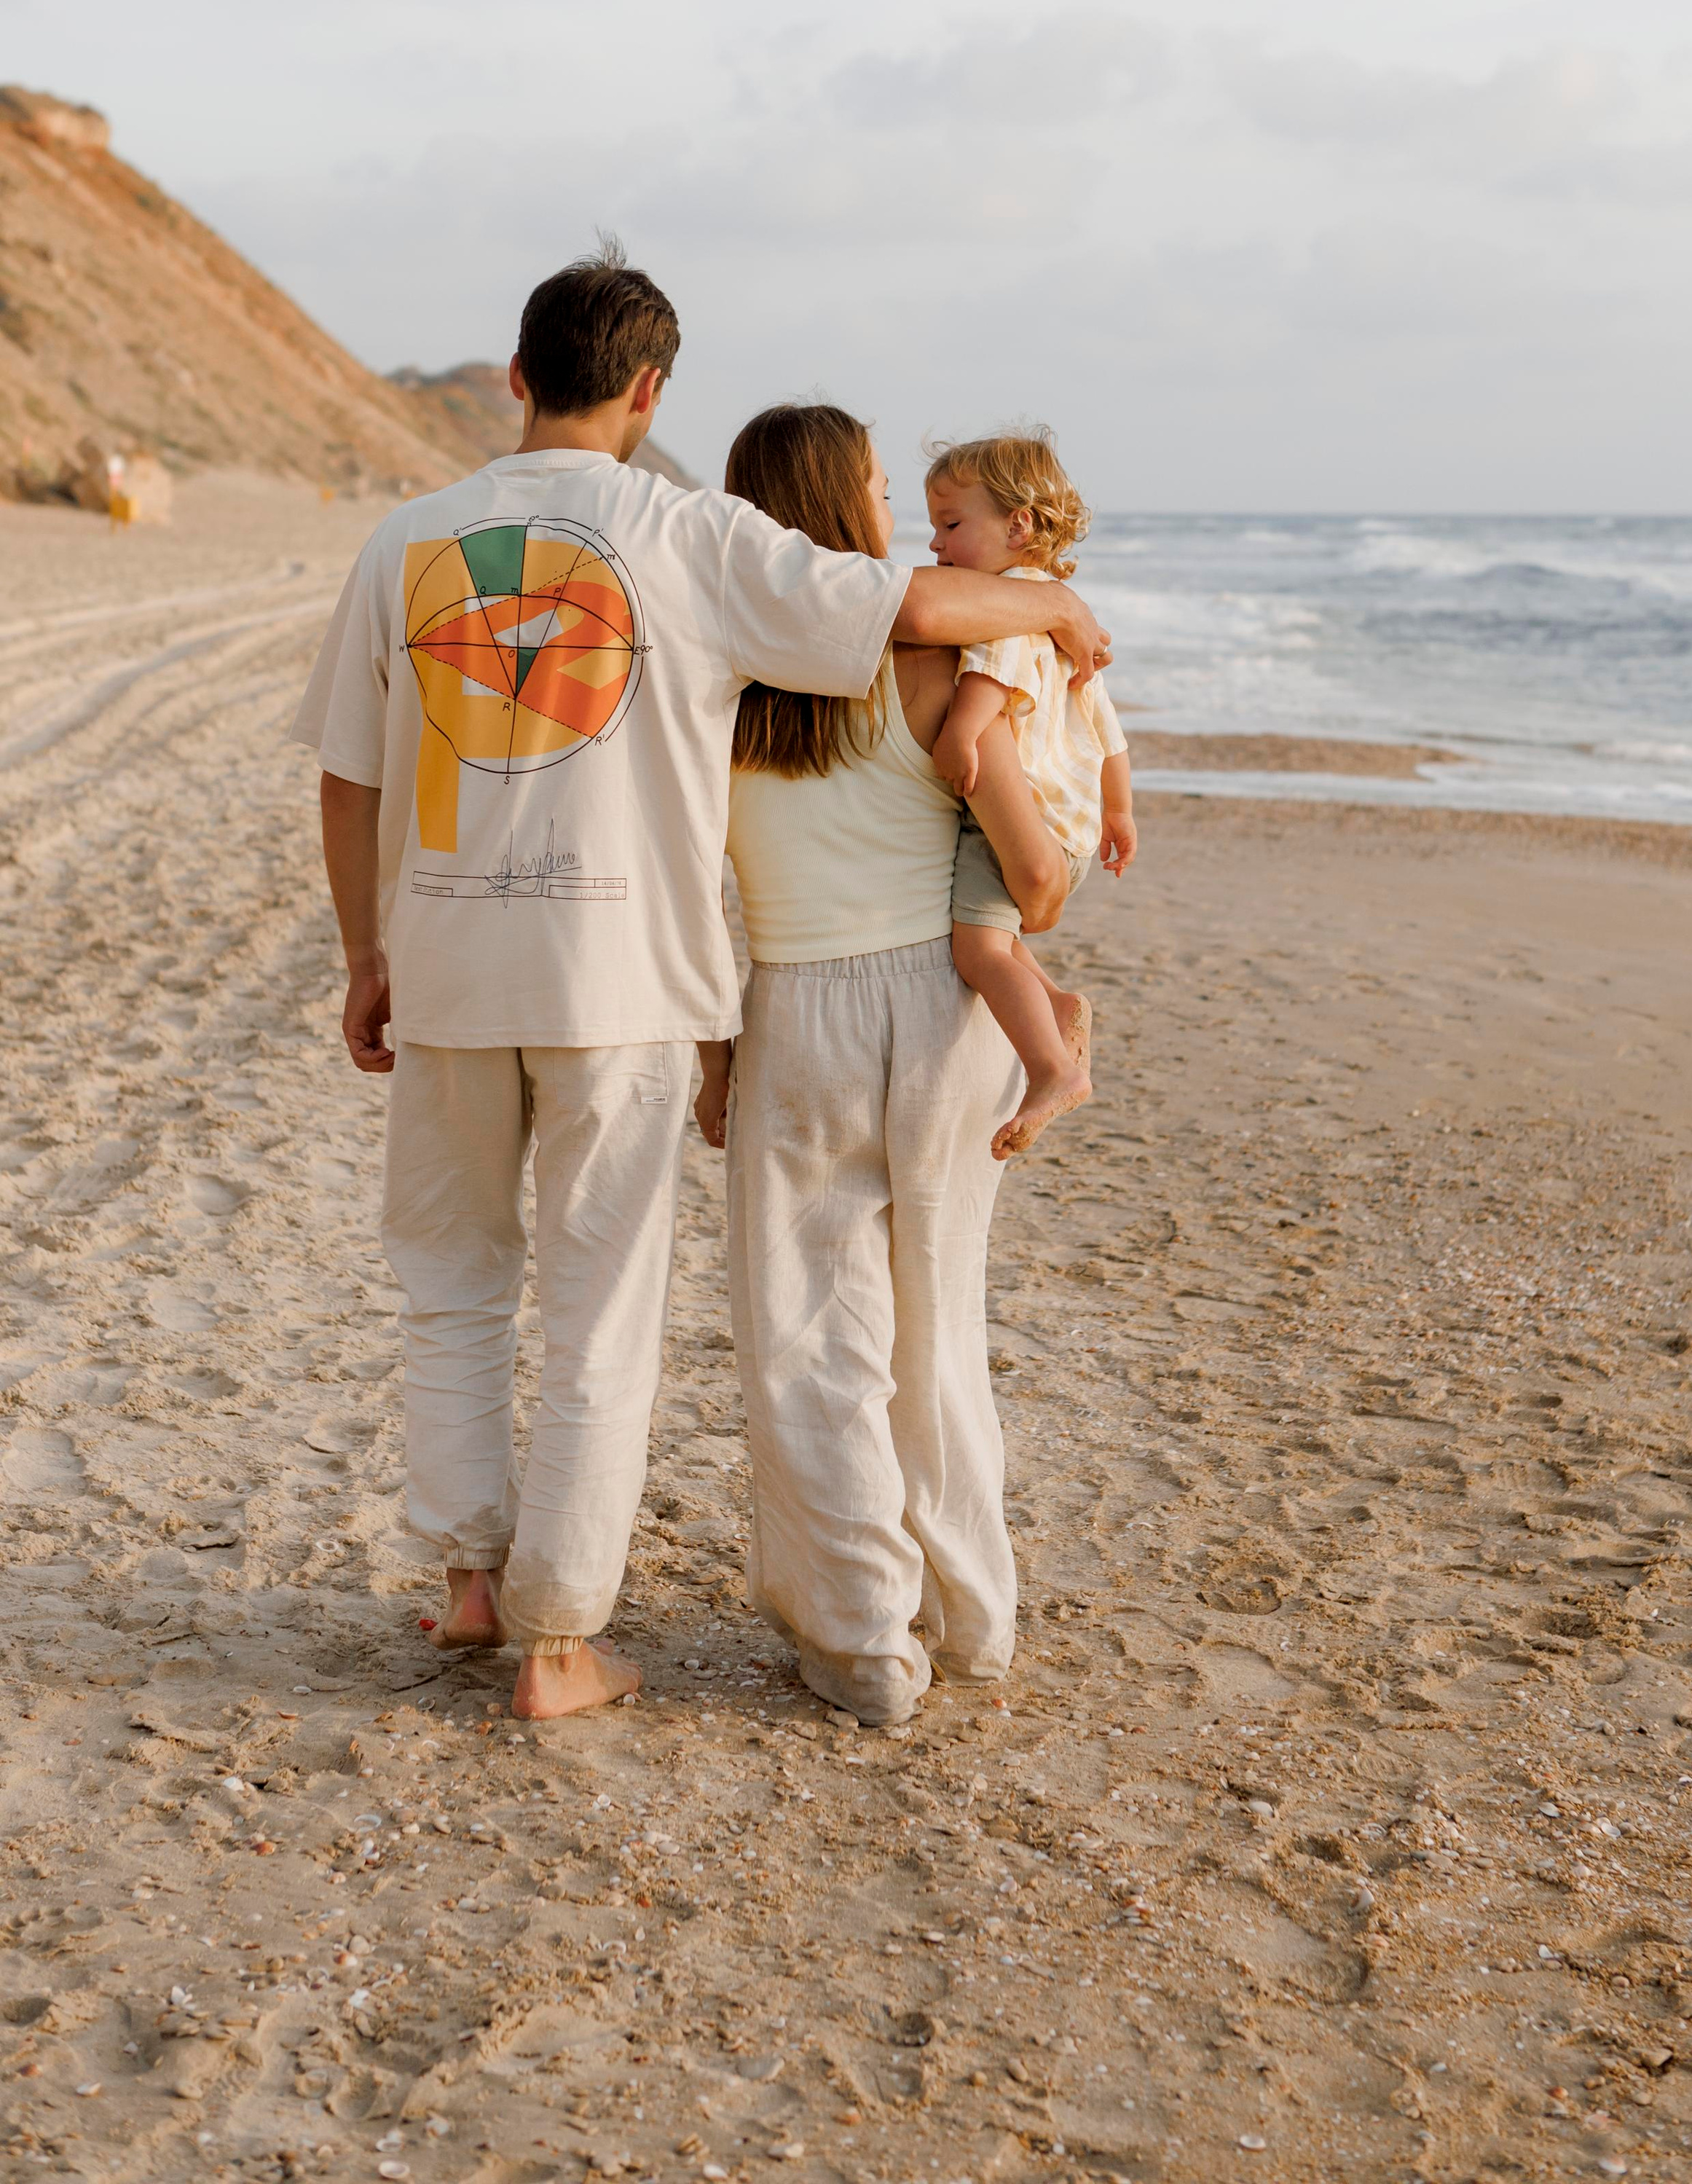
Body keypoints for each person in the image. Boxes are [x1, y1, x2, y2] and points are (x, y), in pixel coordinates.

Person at [294, 245, 1112, 1723]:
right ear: (651, 390)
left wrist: (366, 951)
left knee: (452, 1284)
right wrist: (1050, 613)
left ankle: (473, 1582)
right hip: (627, 983)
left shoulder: (404, 542)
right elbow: (905, 609)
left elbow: (349, 782)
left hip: (448, 971)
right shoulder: (686, 537)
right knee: (598, 1306)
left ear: (515, 376)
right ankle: (555, 1643)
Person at [693, 403, 1071, 1727]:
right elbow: (1031, 873)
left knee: (812, 1336)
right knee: (937, 1321)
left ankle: (864, 1640)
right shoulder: (936, 672)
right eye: (872, 484)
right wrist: (1052, 881)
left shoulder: (718, 686)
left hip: (798, 1008)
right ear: (847, 509)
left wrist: (713, 1053)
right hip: (947, 1009)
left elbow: (692, 895)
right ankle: (973, 1618)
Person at [923, 428, 1138, 1156]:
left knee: (977, 953)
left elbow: (990, 676)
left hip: (1016, 825)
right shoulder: (1059, 619)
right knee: (1000, 940)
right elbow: (1109, 736)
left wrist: (959, 730)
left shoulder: (1006, 602)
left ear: (1017, 526)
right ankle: (1057, 1004)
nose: (935, 547)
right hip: (1070, 830)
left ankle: (1051, 1070)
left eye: (951, 526)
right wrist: (1119, 815)